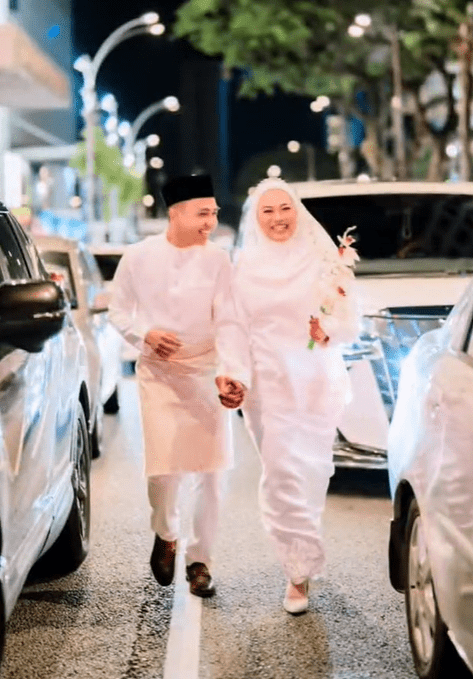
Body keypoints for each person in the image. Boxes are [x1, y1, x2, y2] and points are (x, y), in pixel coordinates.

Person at [109, 174, 249, 597]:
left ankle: (201, 561)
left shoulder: (219, 260)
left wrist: (231, 370)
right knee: (164, 470)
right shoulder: (137, 256)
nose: (211, 221)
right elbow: (118, 311)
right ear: (176, 212)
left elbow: (229, 320)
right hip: (161, 375)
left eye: (214, 213)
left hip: (207, 372)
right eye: (203, 212)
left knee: (211, 476)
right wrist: (144, 333)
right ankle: (166, 532)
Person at [233, 177, 360, 614]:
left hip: (313, 381)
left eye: (284, 208)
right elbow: (234, 328)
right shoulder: (243, 266)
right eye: (267, 211)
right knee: (280, 472)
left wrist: (328, 330)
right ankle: (298, 566)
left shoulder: (324, 260)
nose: (277, 218)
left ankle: (298, 567)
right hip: (266, 385)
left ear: (297, 211)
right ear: (255, 217)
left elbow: (349, 319)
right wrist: (232, 373)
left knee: (310, 472)